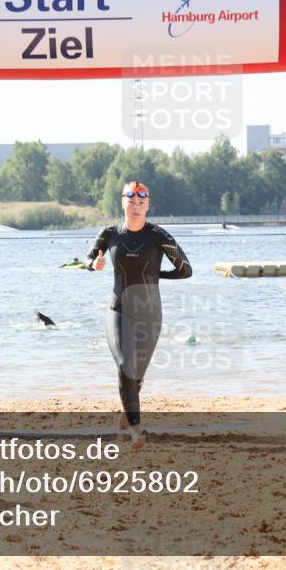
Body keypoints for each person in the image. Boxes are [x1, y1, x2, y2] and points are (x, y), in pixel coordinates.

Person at [86, 181, 192, 450]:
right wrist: (94, 264)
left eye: (141, 203)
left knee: (137, 376)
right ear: (123, 203)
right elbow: (88, 260)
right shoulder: (109, 234)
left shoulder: (158, 236)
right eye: (131, 202)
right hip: (118, 309)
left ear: (148, 205)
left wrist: (156, 275)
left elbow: (185, 269)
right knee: (125, 365)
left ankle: (126, 411)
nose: (136, 207)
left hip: (150, 313)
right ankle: (136, 430)